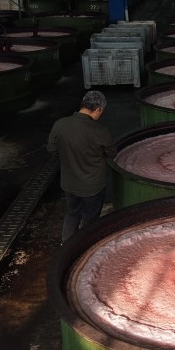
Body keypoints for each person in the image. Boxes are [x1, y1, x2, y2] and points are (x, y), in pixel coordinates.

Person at [47, 90, 116, 243]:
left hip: (69, 183)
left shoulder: (60, 124)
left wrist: (69, 156)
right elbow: (111, 153)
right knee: (90, 220)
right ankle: (85, 247)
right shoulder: (99, 130)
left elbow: (51, 149)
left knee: (72, 213)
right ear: (97, 109)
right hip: (93, 186)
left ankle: (66, 246)